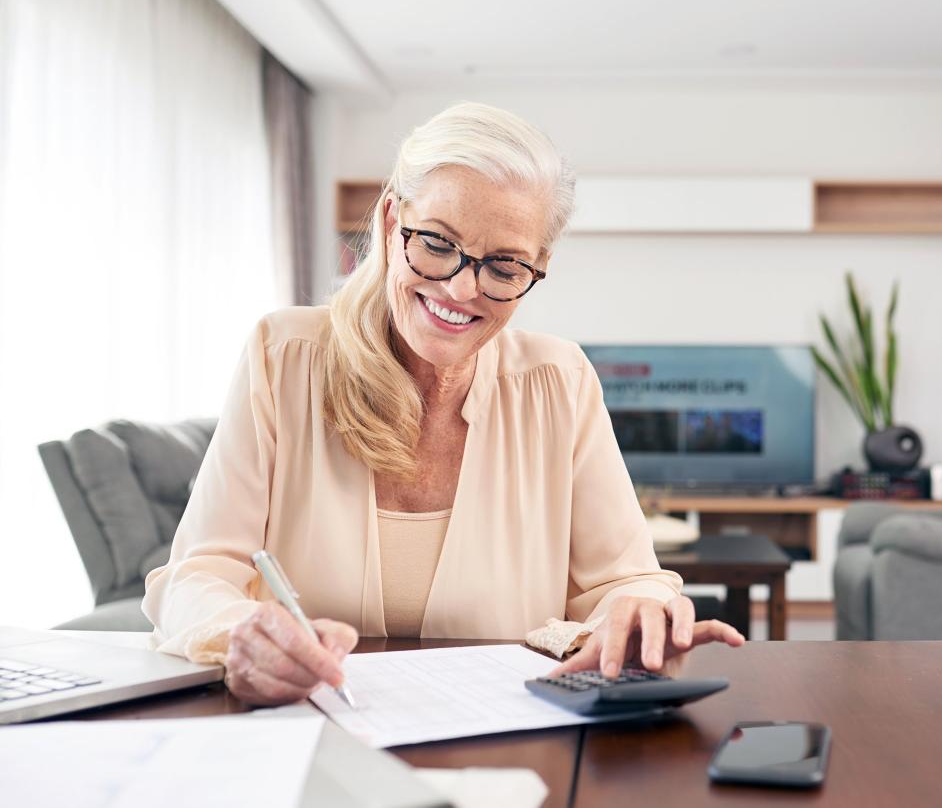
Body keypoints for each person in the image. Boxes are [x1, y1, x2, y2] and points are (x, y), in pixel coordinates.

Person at [143, 102, 744, 705]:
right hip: (306, 729)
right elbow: (197, 576)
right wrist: (239, 636)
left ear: (538, 266)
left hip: (508, 737)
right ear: (388, 220)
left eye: (504, 266)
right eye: (436, 243)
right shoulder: (284, 356)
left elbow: (626, 582)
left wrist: (640, 614)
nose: (461, 289)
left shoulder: (559, 381)